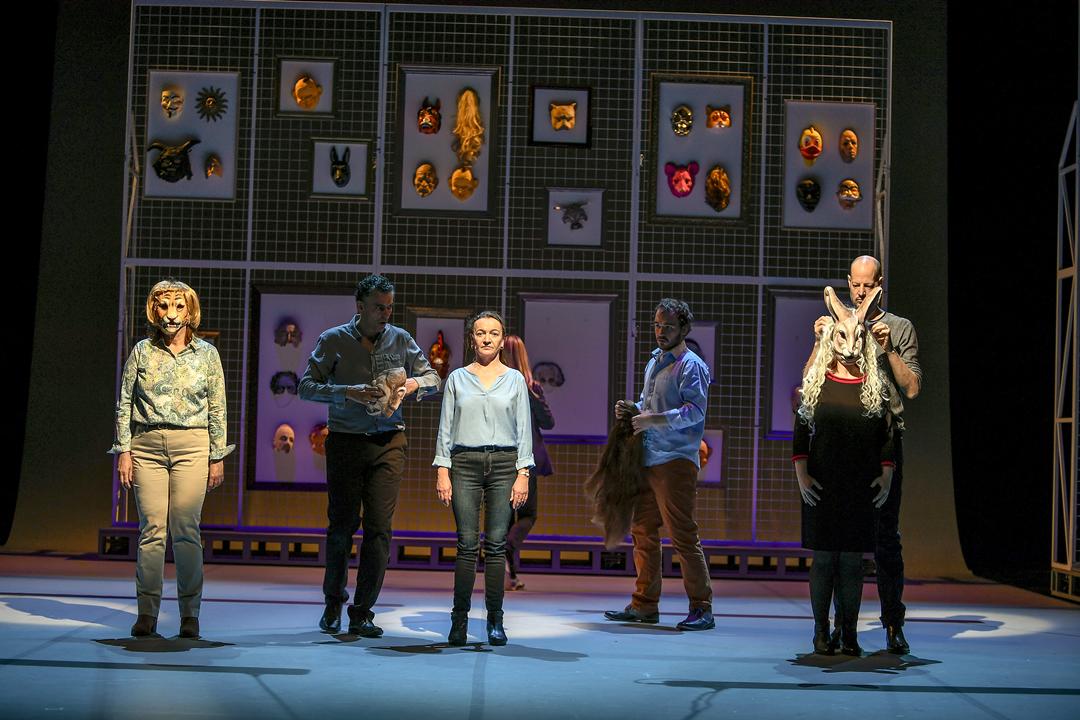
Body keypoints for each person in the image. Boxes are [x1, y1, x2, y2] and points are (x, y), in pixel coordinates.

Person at [299, 274, 441, 637]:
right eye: (379, 307)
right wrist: (347, 392)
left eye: (389, 307)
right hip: (346, 441)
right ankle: (333, 604)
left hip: (388, 442)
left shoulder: (401, 339)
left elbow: (433, 378)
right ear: (360, 307)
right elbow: (306, 387)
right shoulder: (333, 339)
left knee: (379, 529)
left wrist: (412, 384)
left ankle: (362, 611)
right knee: (342, 526)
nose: (385, 313)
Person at [805, 255, 922, 653]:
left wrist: (887, 350)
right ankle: (840, 628)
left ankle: (893, 624)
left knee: (886, 536)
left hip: (883, 440)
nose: (859, 292)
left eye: (867, 285)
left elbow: (912, 388)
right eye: (854, 285)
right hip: (842, 443)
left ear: (879, 285)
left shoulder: (899, 327)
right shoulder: (837, 325)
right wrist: (819, 340)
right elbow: (809, 382)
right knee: (842, 543)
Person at [111, 280, 233, 639]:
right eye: (164, 306)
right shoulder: (142, 351)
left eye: (178, 306)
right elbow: (124, 402)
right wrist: (124, 450)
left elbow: (218, 407)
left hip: (192, 445)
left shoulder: (207, 354)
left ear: (190, 311)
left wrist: (216, 456)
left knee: (186, 530)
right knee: (151, 530)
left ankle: (190, 614)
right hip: (146, 445)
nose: (171, 314)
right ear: (154, 310)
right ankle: (147, 612)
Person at [794, 286, 894, 656]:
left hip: (859, 484)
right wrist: (802, 474)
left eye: (857, 337)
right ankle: (821, 632)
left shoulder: (873, 385)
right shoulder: (818, 383)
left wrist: (886, 473)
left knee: (852, 561)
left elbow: (886, 434)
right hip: (822, 483)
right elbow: (801, 430)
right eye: (842, 336)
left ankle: (848, 632)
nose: (850, 346)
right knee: (823, 559)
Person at [603, 298, 715, 631]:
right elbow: (650, 403)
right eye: (656, 325)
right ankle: (644, 604)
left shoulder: (691, 365)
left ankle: (702, 607)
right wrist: (633, 408)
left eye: (668, 326)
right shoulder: (654, 360)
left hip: (676, 460)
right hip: (650, 458)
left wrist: (652, 419)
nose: (660, 331)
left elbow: (695, 412)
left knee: (683, 535)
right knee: (642, 531)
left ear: (684, 329)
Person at [434, 311, 533, 646]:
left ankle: (495, 620)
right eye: (480, 333)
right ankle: (459, 620)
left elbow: (524, 428)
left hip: (505, 465)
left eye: (494, 333)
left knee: (495, 545)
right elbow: (445, 427)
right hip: (464, 464)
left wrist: (523, 473)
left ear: (502, 339)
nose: (487, 338)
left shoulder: (515, 380)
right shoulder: (458, 379)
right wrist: (442, 469)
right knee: (466, 544)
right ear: (471, 339)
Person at [500, 335, 555, 591]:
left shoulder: (496, 386)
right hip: (526, 458)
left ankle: (510, 575)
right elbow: (548, 422)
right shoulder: (531, 388)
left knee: (505, 517)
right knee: (528, 514)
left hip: (500, 457)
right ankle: (507, 548)